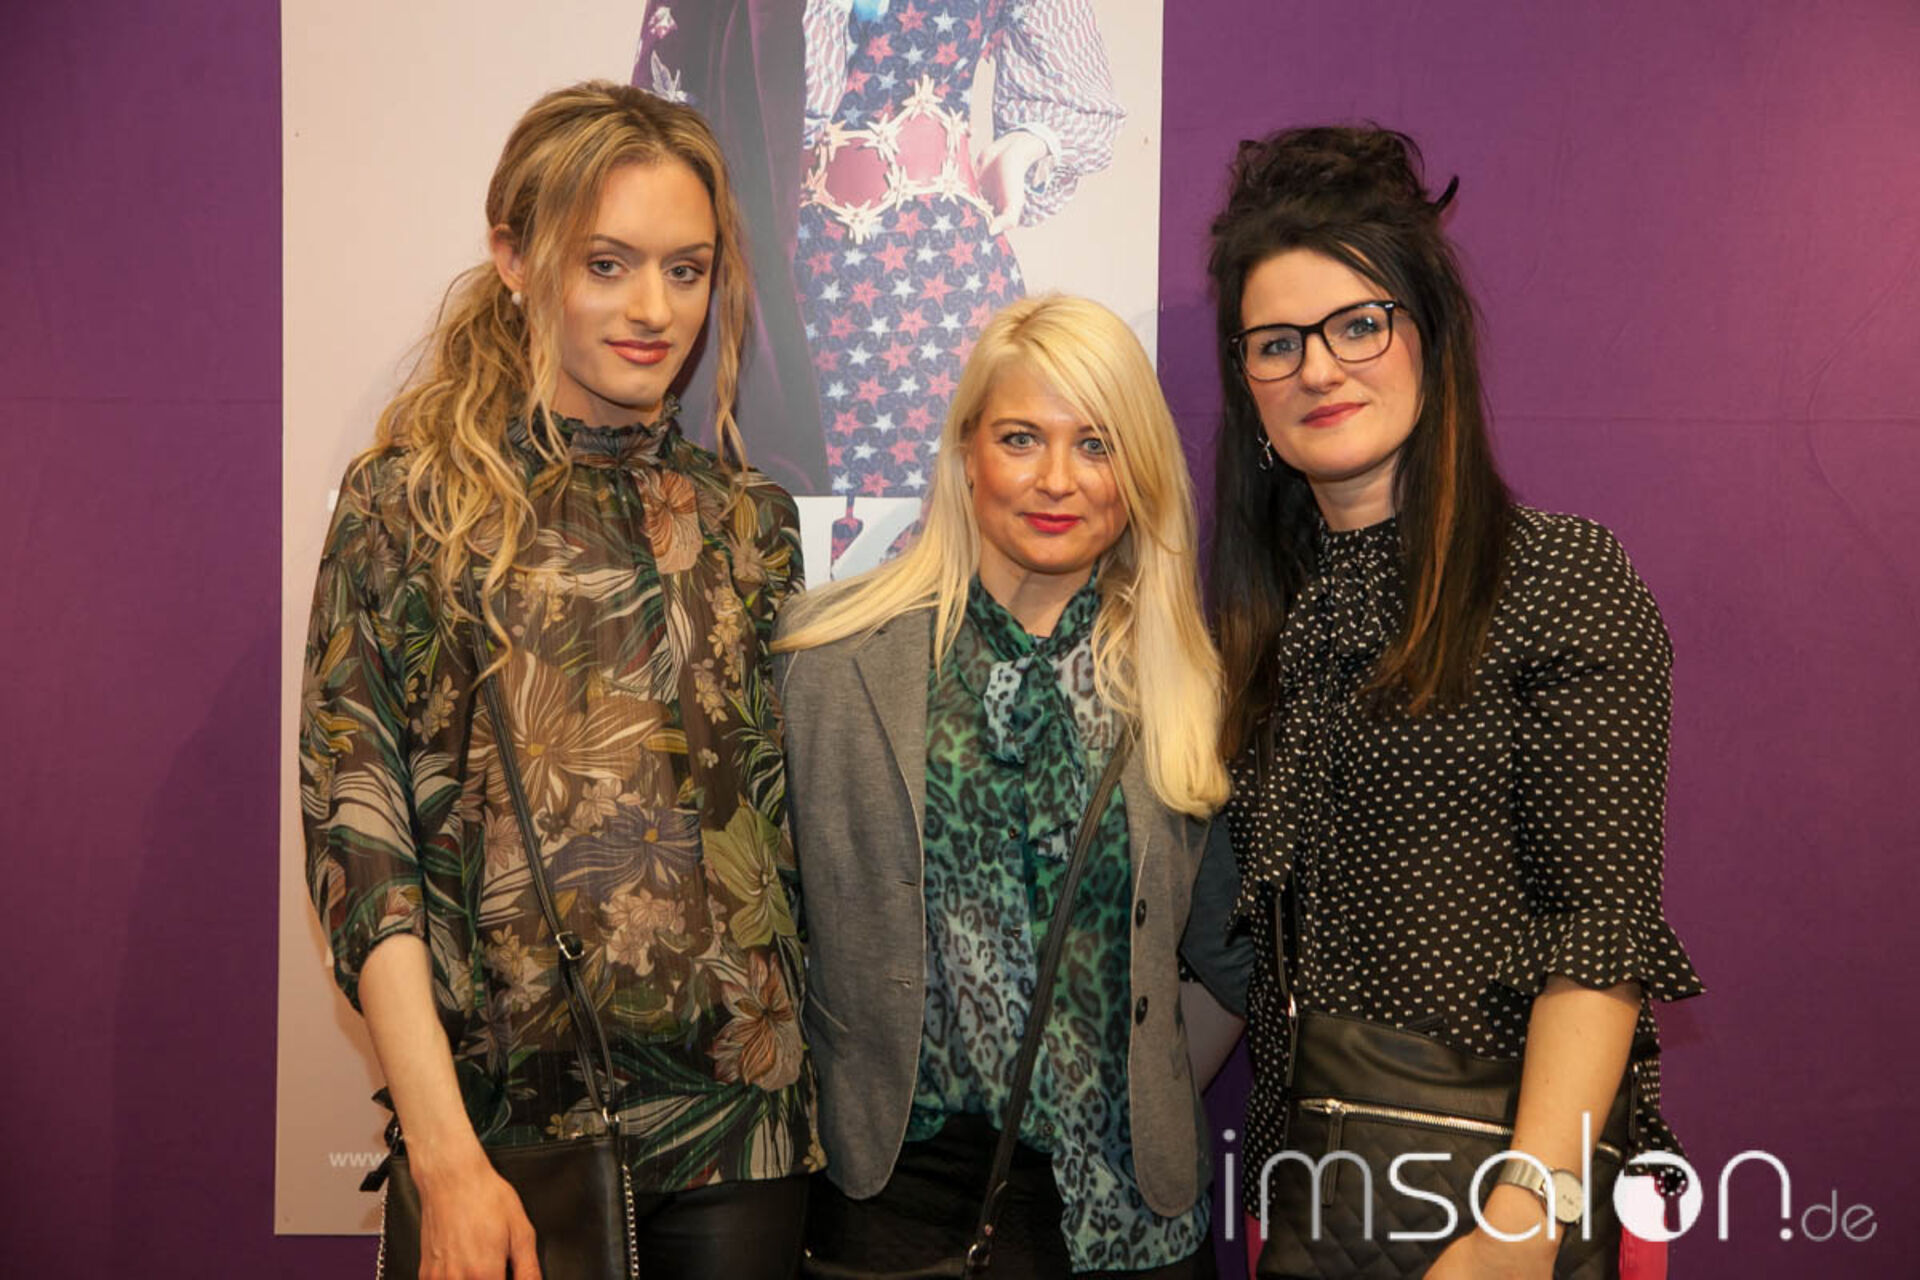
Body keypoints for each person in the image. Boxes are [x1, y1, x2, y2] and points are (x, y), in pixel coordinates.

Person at [297, 81, 818, 1280]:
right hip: (503, 1141)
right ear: (515, 258)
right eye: (607, 263)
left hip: (747, 1140)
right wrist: (444, 1155)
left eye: (687, 270)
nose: (653, 309)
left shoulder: (752, 525)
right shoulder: (408, 509)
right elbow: (361, 853)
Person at [1205, 127, 1703, 1278]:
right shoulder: (1263, 627)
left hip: (1506, 1201)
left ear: (1429, 334)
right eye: (1277, 343)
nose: (1318, 369)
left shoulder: (1558, 578)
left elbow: (1601, 928)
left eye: (1357, 324)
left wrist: (1525, 1215)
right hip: (1307, 1193)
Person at [774, 295, 1252, 1278]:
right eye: (1021, 438)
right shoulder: (830, 661)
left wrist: (1140, 1087)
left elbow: (1226, 954)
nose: (1056, 480)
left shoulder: (1186, 687)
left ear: (1138, 470)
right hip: (897, 1207)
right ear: (966, 454)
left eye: (1096, 444)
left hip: (1133, 1219)